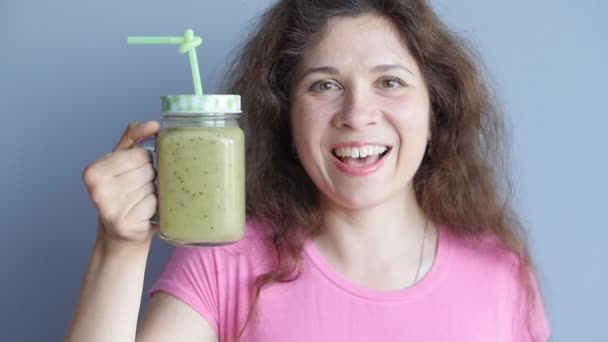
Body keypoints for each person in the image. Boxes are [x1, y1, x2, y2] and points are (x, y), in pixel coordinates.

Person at [66, 0, 551, 341]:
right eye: (323, 86)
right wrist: (119, 250)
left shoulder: (501, 273)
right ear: (286, 121)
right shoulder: (225, 262)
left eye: (389, 82)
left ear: (435, 113)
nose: (357, 114)